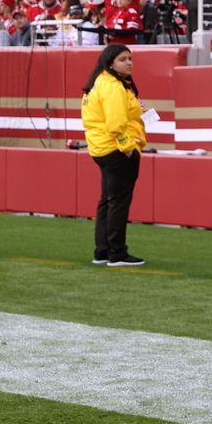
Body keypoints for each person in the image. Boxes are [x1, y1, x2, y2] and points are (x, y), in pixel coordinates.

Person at [80, 44, 146, 266]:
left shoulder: (100, 82)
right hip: (116, 149)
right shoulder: (113, 86)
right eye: (122, 59)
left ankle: (103, 251)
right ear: (110, 63)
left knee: (107, 201)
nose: (129, 63)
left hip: (101, 148)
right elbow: (116, 124)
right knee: (118, 202)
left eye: (130, 58)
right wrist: (128, 148)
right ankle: (117, 253)